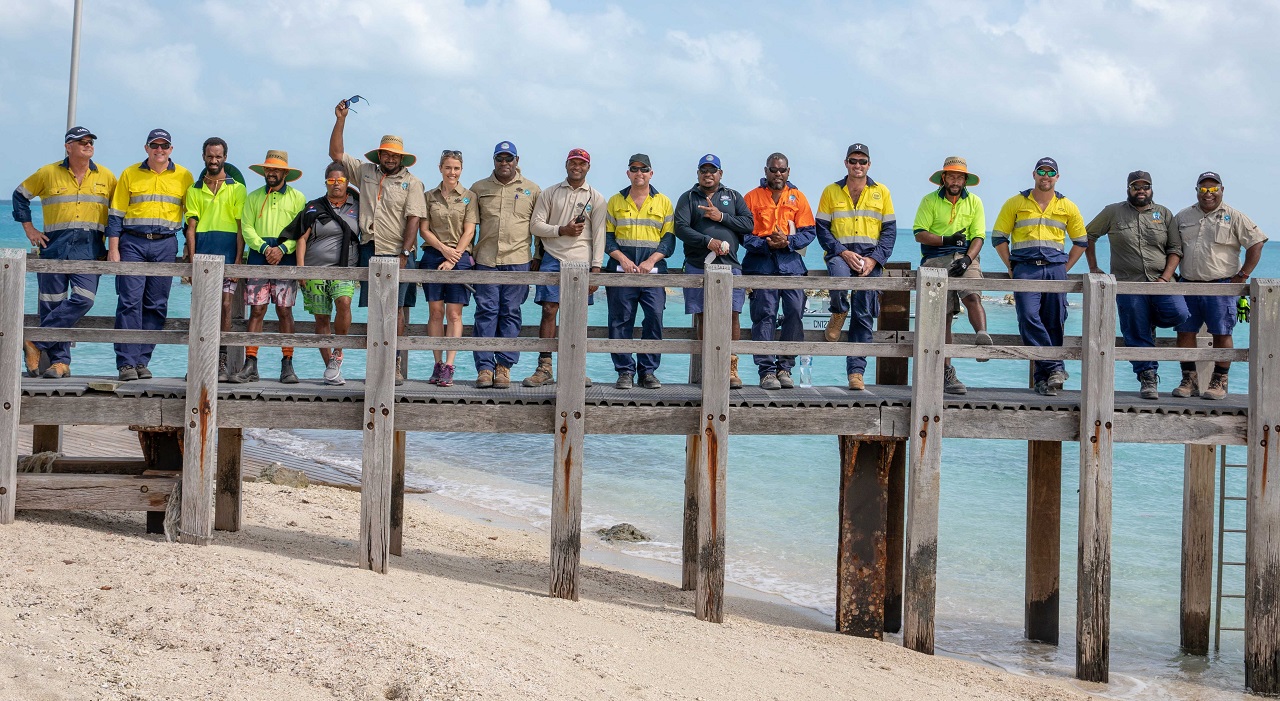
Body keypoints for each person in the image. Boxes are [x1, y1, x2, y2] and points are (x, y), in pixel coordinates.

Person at [329, 99, 426, 384]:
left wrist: (406, 252)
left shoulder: (414, 182)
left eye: (395, 155)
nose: (390, 158)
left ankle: (393, 363)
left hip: (399, 250)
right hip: (370, 247)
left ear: (402, 158)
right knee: (375, 308)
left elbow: (414, 218)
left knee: (396, 309)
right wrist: (341, 119)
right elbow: (336, 153)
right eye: (386, 154)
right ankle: (376, 361)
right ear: (380, 154)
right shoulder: (366, 172)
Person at [12, 126, 116, 379]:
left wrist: (114, 246)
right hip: (54, 247)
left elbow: (117, 214)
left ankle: (35, 341)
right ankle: (59, 363)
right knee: (52, 305)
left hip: (90, 249)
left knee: (84, 299)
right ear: (68, 147)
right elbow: (19, 196)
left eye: (90, 141)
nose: (88, 145)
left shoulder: (107, 176)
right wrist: (30, 229)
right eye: (82, 142)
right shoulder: (47, 173)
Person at [1085, 170, 1188, 400]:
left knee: (1181, 314)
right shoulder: (1113, 212)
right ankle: (1147, 377)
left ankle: (1149, 318)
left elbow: (1175, 249)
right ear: (1128, 189)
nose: (1141, 190)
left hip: (1161, 282)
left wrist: (1164, 279)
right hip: (1128, 284)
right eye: (1136, 187)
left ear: (1151, 189)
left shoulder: (1164, 214)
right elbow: (1088, 236)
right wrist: (1094, 267)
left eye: (1145, 186)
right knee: (1135, 330)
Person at [991, 157, 1088, 396]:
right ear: (1034, 174)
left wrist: (1064, 268)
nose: (1046, 175)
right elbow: (998, 237)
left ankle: (1044, 380)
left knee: (1054, 321)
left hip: (1055, 268)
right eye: (1042, 171)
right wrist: (1010, 265)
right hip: (1025, 266)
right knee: (1028, 316)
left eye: (1051, 171)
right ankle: (1055, 367)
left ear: (1057, 177)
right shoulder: (1015, 202)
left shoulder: (1068, 206)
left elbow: (1081, 241)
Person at [107, 128, 194, 381]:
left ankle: (142, 360)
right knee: (129, 302)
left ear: (171, 149)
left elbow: (191, 217)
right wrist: (113, 249)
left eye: (164, 146)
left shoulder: (184, 176)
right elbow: (115, 215)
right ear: (146, 148)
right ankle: (126, 363)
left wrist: (190, 250)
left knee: (156, 304)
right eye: (154, 146)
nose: (159, 150)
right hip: (132, 242)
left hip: (165, 244)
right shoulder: (129, 173)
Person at [1171, 171, 1267, 400]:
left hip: (1221, 286)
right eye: (1203, 189)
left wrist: (1243, 274)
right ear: (1196, 190)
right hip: (1188, 285)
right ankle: (1189, 379)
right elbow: (1169, 245)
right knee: (1185, 332)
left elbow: (1257, 243)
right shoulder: (1182, 216)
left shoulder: (1234, 216)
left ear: (1222, 190)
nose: (1208, 193)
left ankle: (1219, 381)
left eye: (1213, 189)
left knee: (1222, 332)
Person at [815, 143, 897, 391]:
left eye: (862, 161)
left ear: (869, 164)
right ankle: (838, 311)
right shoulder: (831, 191)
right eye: (853, 161)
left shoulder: (881, 192)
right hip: (841, 255)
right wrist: (842, 251)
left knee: (863, 315)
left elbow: (889, 232)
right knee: (839, 281)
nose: (858, 165)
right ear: (846, 163)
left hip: (870, 259)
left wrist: (874, 260)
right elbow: (821, 229)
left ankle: (856, 373)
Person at [526, 148, 607, 387]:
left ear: (588, 167)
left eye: (582, 163)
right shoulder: (550, 193)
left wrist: (596, 269)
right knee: (549, 310)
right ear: (566, 164)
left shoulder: (597, 198)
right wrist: (562, 230)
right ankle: (544, 367)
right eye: (573, 162)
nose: (577, 167)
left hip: (582, 261)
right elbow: (535, 226)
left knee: (577, 316)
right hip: (552, 257)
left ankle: (575, 368)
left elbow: (599, 235)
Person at [674, 154, 753, 389]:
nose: (708, 174)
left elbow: (748, 225)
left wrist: (722, 217)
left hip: (730, 265)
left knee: (733, 314)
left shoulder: (733, 196)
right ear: (698, 173)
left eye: (713, 170)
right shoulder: (688, 198)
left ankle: (730, 367)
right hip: (699, 264)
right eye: (703, 170)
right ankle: (709, 366)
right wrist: (707, 241)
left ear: (721, 173)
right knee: (702, 315)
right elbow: (680, 228)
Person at [228, 151, 307, 384]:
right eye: (268, 169)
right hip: (258, 257)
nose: (271, 173)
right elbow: (247, 228)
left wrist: (283, 249)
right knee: (257, 310)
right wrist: (264, 249)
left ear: (285, 173)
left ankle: (287, 364)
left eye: (276, 170)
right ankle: (250, 363)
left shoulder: (297, 197)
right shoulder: (252, 197)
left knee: (285, 311)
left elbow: (301, 231)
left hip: (287, 257)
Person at [912, 156, 989, 395]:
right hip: (936, 257)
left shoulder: (975, 201)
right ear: (943, 178)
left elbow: (979, 236)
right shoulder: (929, 200)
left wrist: (967, 259)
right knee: (943, 315)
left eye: (960, 177)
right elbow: (919, 233)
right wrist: (946, 239)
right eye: (952, 176)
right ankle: (946, 373)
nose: (955, 181)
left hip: (966, 255)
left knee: (973, 294)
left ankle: (982, 337)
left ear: (965, 180)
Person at [470, 142, 542, 389]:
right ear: (493, 160)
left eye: (508, 158)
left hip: (518, 260)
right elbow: (467, 224)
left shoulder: (532, 190)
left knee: (511, 311)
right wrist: (467, 254)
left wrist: (538, 257)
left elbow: (539, 227)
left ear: (516, 160)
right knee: (485, 312)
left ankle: (504, 367)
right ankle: (484, 368)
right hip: (486, 260)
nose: (504, 163)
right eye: (500, 158)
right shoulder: (478, 188)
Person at [741, 153, 814, 390]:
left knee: (795, 313)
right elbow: (742, 233)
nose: (778, 174)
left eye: (782, 170)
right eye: (773, 170)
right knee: (764, 315)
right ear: (766, 171)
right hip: (761, 264)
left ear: (788, 171)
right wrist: (764, 244)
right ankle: (766, 371)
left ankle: (785, 368)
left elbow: (809, 231)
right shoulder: (751, 198)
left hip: (791, 264)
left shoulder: (798, 198)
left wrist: (788, 242)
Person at [605, 154, 675, 390]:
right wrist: (622, 259)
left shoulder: (664, 202)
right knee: (620, 321)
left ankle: (648, 372)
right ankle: (624, 371)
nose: (639, 174)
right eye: (634, 169)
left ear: (651, 173)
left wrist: (651, 260)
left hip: (653, 272)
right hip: (621, 271)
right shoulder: (615, 201)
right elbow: (607, 238)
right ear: (628, 173)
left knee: (654, 320)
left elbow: (668, 240)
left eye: (643, 169)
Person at [290, 161, 360, 385]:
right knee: (321, 317)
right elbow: (301, 238)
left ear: (347, 182)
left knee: (344, 303)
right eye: (332, 180)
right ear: (326, 182)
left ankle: (337, 353)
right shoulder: (314, 207)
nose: (336, 184)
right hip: (314, 269)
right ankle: (330, 366)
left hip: (344, 269)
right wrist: (301, 270)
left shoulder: (358, 205)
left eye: (340, 180)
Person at [183, 136, 247, 382]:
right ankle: (198, 361)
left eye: (218, 156)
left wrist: (238, 261)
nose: (214, 160)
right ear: (204, 157)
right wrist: (191, 261)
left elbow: (241, 227)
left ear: (225, 158)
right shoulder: (194, 189)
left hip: (228, 252)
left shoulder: (237, 189)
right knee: (200, 307)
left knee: (226, 306)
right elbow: (191, 227)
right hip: (203, 254)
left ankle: (221, 361)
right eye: (210, 156)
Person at [420, 150, 478, 388]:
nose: (452, 172)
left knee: (454, 314)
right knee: (435, 312)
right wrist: (444, 250)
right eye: (448, 167)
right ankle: (437, 363)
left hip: (460, 256)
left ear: (461, 169)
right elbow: (424, 229)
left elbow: (469, 231)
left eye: (456, 168)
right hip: (434, 253)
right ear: (440, 168)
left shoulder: (469, 197)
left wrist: (453, 258)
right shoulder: (428, 196)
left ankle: (450, 365)